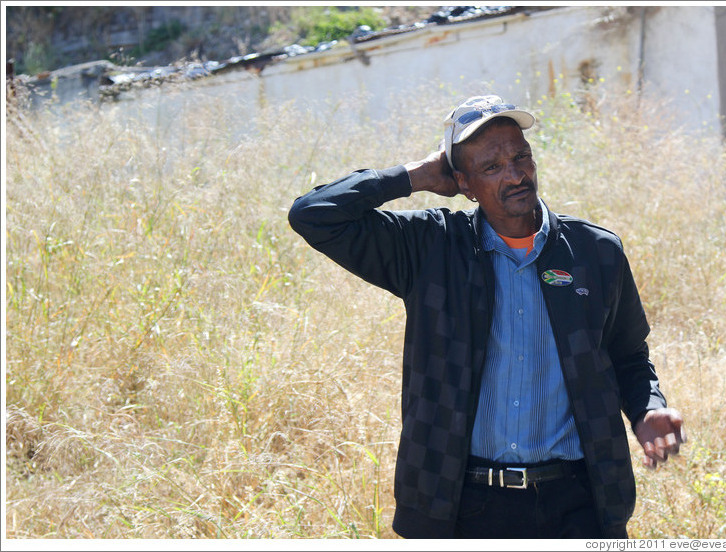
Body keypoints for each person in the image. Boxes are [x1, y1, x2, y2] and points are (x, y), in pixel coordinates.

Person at [288, 95, 686, 539]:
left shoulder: (595, 252)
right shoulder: (428, 248)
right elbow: (312, 216)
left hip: (578, 501)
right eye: (492, 167)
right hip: (462, 505)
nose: (515, 175)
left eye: (521, 157)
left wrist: (647, 408)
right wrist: (415, 175)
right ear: (463, 182)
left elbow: (628, 352)